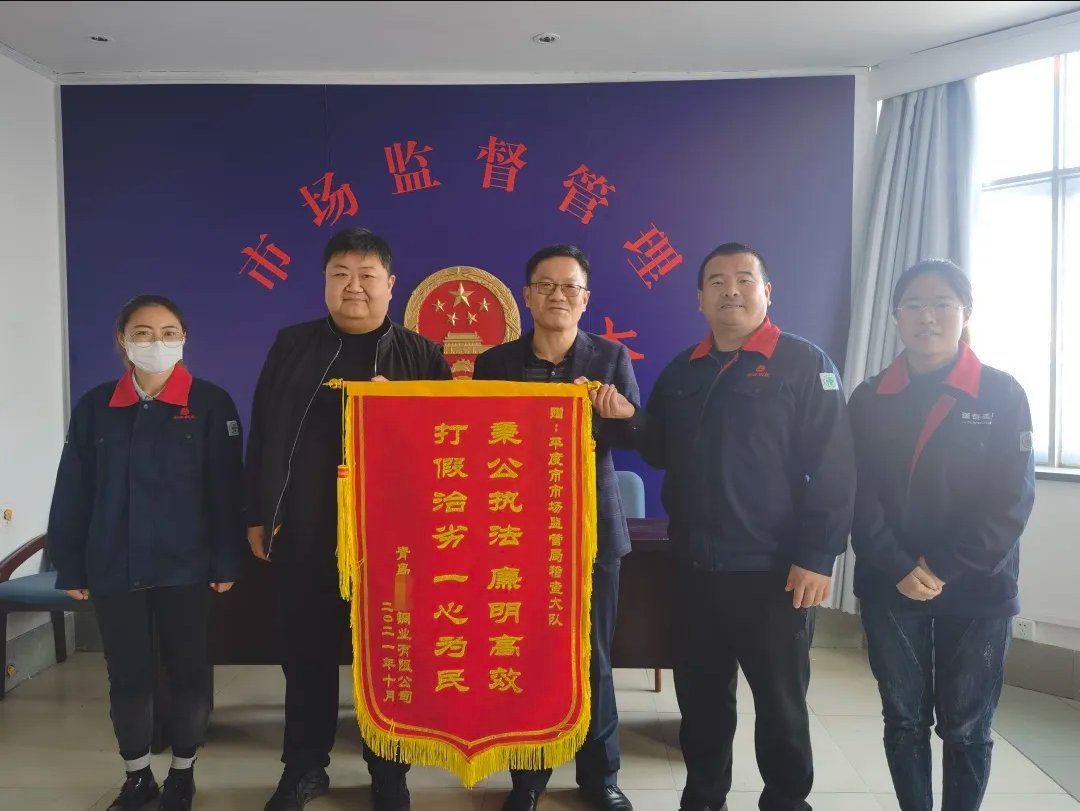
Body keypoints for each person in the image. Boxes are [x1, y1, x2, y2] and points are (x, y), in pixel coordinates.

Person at [589, 242, 856, 811]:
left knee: (781, 704)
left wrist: (818, 556)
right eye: (716, 282)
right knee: (702, 701)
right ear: (700, 299)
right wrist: (628, 418)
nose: (730, 290)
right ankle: (704, 797)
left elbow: (836, 468)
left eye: (743, 279)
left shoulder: (805, 364)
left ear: (766, 292)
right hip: (694, 570)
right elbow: (658, 449)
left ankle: (786, 801)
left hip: (774, 573)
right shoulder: (684, 369)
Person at [246, 227, 451, 811]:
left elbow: (446, 446)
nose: (353, 287)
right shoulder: (292, 346)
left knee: (389, 658)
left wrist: (400, 409)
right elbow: (264, 432)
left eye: (367, 276)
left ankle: (389, 773)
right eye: (340, 275)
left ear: (391, 284)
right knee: (305, 656)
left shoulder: (421, 355)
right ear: (324, 283)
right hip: (306, 531)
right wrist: (258, 513)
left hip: (394, 542)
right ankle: (303, 769)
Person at [848, 259, 1035, 811]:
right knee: (904, 719)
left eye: (941, 305)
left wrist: (943, 566)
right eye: (914, 306)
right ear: (896, 316)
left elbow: (1012, 499)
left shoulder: (1001, 393)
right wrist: (899, 565)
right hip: (891, 583)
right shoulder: (869, 397)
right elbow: (855, 492)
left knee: (967, 726)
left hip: (978, 586)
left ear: (965, 313)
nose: (927, 317)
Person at [47, 294, 245, 811]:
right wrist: (71, 564)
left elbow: (227, 488)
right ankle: (137, 776)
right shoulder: (95, 406)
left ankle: (183, 772)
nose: (157, 342)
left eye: (168, 332)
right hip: (114, 563)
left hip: (187, 565)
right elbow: (73, 490)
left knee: (189, 673)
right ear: (122, 340)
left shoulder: (211, 402)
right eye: (143, 333)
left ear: (184, 339)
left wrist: (226, 559)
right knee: (128, 676)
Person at [473, 244, 639, 811]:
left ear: (586, 299)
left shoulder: (610, 358)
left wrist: (621, 414)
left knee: (594, 657)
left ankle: (600, 777)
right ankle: (528, 778)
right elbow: (479, 443)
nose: (558, 296)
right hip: (518, 534)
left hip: (593, 534)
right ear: (527, 295)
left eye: (570, 287)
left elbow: (635, 437)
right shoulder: (495, 363)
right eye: (546, 285)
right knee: (525, 658)